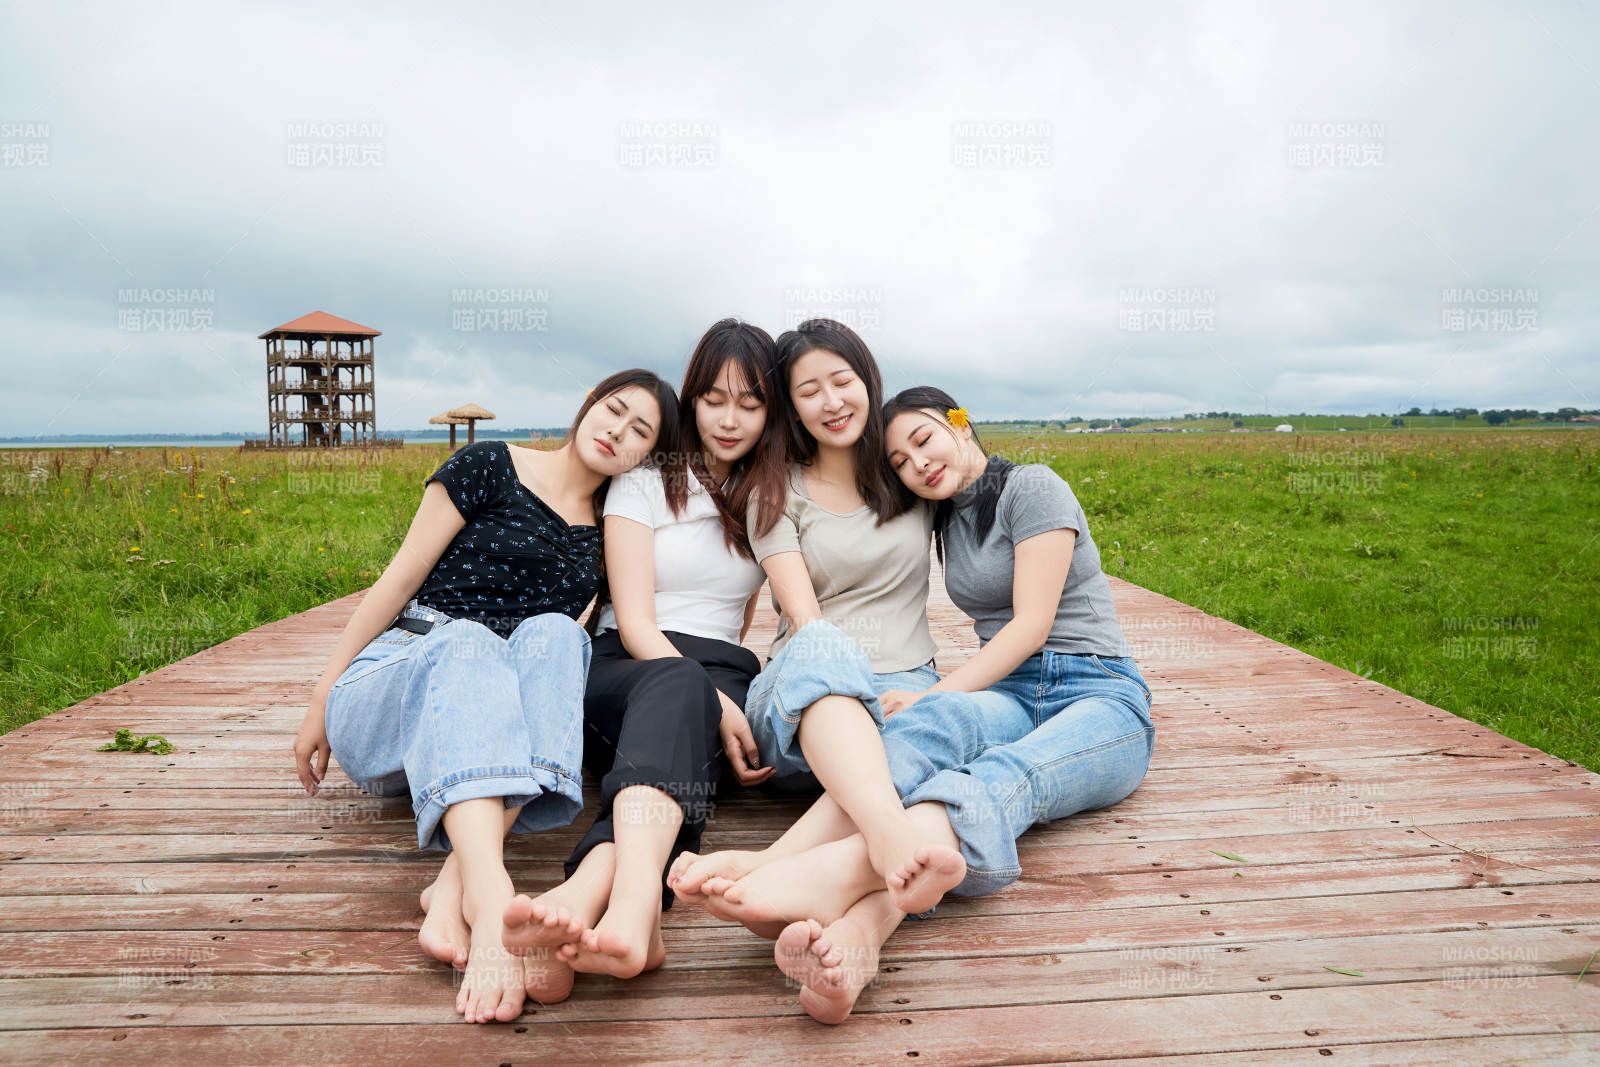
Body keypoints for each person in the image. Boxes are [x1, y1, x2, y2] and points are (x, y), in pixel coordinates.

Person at [688, 385, 1155, 1024]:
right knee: (924, 729)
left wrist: (936, 686)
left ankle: (831, 874)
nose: (916, 465)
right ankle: (853, 934)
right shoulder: (947, 514)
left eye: (923, 440)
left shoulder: (1033, 486)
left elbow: (1031, 626)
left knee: (1004, 775)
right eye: (900, 462)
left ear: (958, 423)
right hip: (1012, 692)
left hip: (1100, 692)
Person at [290, 369, 676, 1023]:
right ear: (587, 404)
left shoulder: (603, 535)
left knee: (557, 636)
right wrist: (322, 691)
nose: (619, 431)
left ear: (647, 457)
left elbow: (553, 668)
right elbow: (398, 578)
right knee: (469, 641)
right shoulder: (487, 465)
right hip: (401, 678)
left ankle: (453, 886)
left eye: (641, 431)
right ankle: (492, 893)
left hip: (478, 735)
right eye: (614, 410)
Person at [493, 319, 787, 995]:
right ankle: (634, 912)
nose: (731, 417)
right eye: (715, 398)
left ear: (770, 412)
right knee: (680, 693)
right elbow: (636, 618)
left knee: (680, 745)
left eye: (751, 402)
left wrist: (723, 689)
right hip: (625, 666)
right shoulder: (646, 481)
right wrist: (708, 698)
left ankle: (587, 896)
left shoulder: (768, 495)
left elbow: (748, 617)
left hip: (721, 672)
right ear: (692, 398)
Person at [668, 321, 968, 920]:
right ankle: (889, 832)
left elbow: (971, 458)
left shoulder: (909, 475)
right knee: (824, 642)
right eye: (809, 391)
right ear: (791, 408)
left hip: (905, 696)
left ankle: (778, 875)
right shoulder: (775, 491)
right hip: (801, 702)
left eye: (842, 381)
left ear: (868, 380)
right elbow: (803, 617)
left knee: (953, 720)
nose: (831, 402)